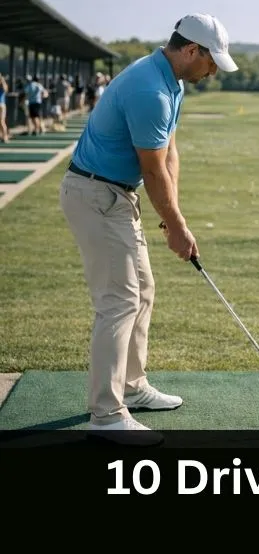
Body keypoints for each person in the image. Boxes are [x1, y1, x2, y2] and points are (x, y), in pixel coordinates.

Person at [59, 13, 239, 445]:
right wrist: (176, 226)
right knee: (118, 303)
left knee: (142, 290)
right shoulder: (149, 89)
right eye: (212, 62)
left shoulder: (172, 82)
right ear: (192, 50)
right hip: (96, 196)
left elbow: (169, 152)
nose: (213, 71)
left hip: (118, 197)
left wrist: (173, 217)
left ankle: (132, 388)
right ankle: (106, 416)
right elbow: (153, 170)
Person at [0, 74, 8, 143]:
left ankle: (5, 137)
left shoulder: (2, 86)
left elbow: (5, 89)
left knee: (2, 122)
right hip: (2, 105)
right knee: (1, 122)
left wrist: (2, 79)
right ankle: (3, 136)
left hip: (1, 105)